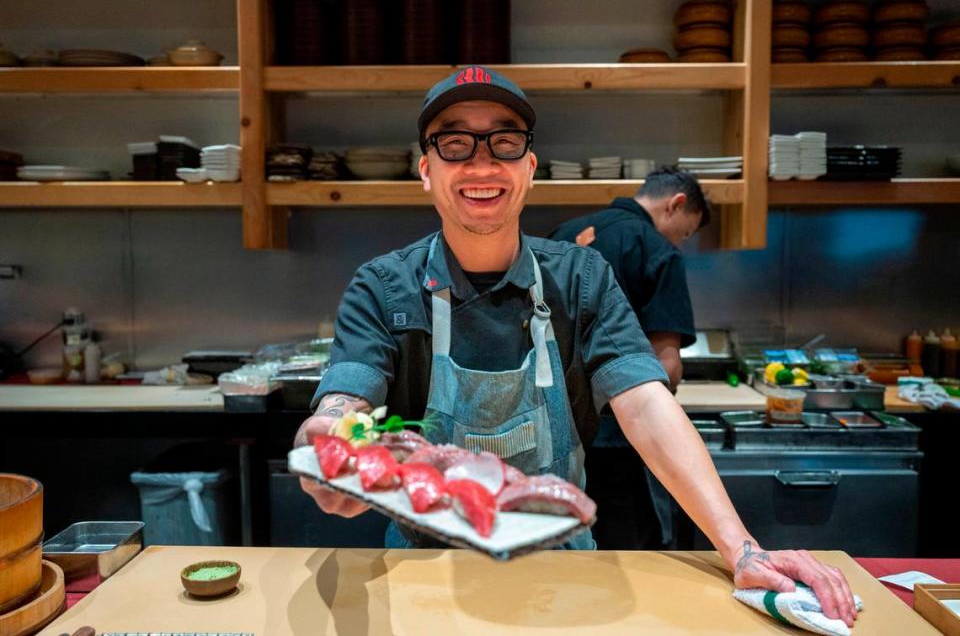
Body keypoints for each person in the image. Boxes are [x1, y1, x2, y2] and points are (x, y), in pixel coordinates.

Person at [295, 65, 858, 628]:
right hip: (421, 570)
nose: (482, 162)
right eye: (455, 142)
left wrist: (742, 549)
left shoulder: (583, 278)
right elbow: (345, 399)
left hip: (565, 577)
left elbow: (645, 404)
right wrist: (328, 440)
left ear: (530, 168)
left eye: (505, 141)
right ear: (426, 169)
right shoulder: (384, 284)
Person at [549, 169, 708, 551]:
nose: (680, 241)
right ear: (676, 205)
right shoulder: (656, 249)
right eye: (685, 232)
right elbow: (665, 364)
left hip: (551, 432)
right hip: (619, 434)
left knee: (558, 550)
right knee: (628, 549)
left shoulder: (559, 235)